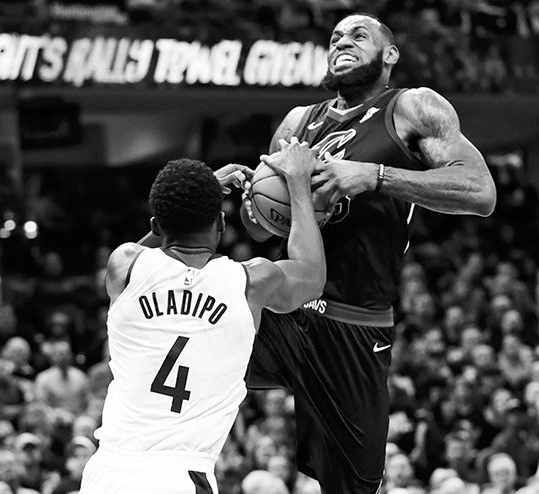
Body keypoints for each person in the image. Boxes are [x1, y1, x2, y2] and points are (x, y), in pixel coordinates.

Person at [240, 12, 497, 494]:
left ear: (390, 54)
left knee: (354, 488)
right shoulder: (299, 121)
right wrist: (253, 197)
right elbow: (258, 232)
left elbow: (480, 191)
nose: (342, 42)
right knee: (191, 344)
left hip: (353, 320)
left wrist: (375, 176)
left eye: (359, 36)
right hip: (286, 304)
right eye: (335, 37)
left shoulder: (412, 107)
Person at [79, 150, 326, 494]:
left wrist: (203, 188)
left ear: (155, 226)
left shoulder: (125, 266)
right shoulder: (250, 283)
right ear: (222, 225)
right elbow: (312, 276)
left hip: (108, 472)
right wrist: (299, 184)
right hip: (180, 476)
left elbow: (142, 249)